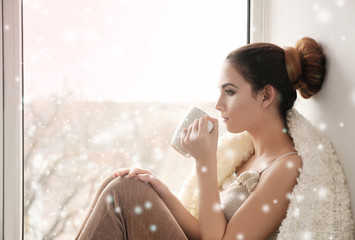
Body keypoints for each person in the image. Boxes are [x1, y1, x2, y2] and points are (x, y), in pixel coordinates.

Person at [75, 37, 327, 240]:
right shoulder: (249, 156)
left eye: (229, 92)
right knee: (125, 182)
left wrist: (205, 162)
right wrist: (163, 194)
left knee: (124, 191)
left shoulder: (286, 168)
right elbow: (208, 233)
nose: (218, 104)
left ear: (265, 96)